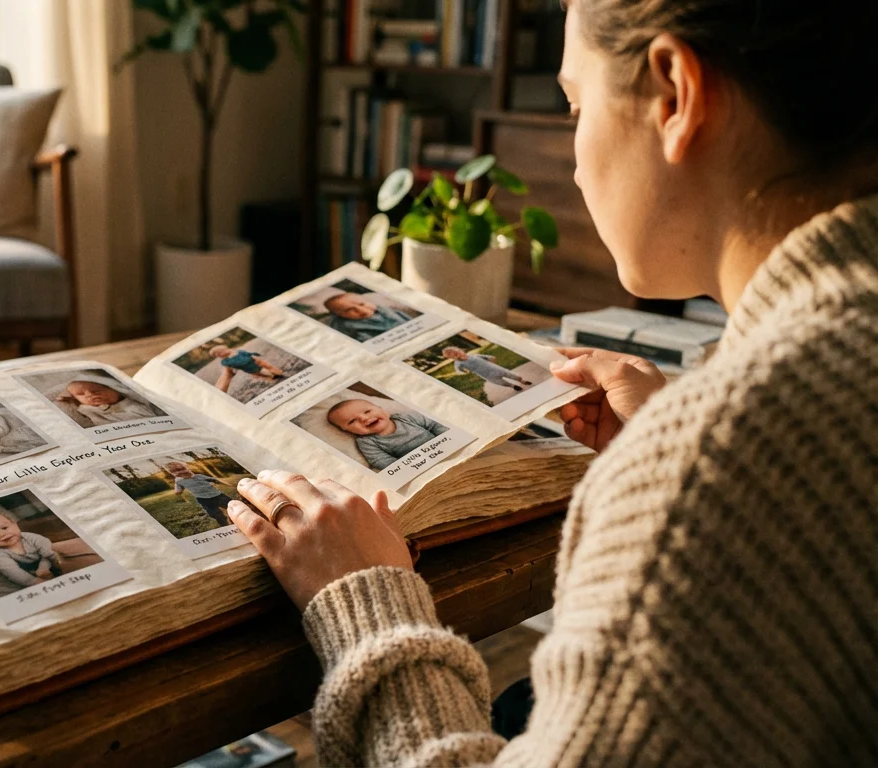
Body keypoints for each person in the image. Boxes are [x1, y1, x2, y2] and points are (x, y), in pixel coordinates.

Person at [221, 1, 878, 764]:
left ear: (675, 94)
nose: (572, 155)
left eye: (576, 106)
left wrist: (366, 602)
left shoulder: (722, 457)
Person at [325, 399, 448, 471]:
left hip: (444, 448)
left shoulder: (406, 417)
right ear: (347, 431)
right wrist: (412, 467)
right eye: (352, 421)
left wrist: (447, 441)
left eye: (367, 411)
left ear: (383, 410)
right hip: (419, 465)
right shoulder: (367, 442)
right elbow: (381, 461)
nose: (364, 418)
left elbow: (435, 425)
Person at [0, 511, 61, 588]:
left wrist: (43, 567)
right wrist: (35, 582)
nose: (2, 534)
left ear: (15, 524)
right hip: (25, 571)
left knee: (55, 556)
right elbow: (12, 572)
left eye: (5, 528)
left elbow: (49, 554)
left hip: (44, 560)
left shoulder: (31, 538)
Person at [56, 379, 162, 426]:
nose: (89, 395)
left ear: (114, 389)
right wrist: (68, 398)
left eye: (96, 391)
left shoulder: (132, 403)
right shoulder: (86, 409)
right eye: (80, 394)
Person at [166, 461, 235, 527]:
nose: (181, 472)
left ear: (187, 468)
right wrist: (176, 484)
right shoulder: (179, 481)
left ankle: (237, 518)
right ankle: (225, 525)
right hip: (203, 499)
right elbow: (178, 492)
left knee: (233, 507)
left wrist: (230, 485)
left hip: (218, 496)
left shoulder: (199, 476)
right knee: (216, 514)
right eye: (176, 471)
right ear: (172, 473)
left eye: (183, 469)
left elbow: (215, 480)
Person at [321, 291, 412, 341]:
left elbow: (401, 316)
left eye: (361, 304)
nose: (361, 310)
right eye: (349, 310)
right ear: (339, 314)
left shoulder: (382, 309)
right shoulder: (345, 325)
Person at [442, 346, 535, 392]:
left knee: (511, 375)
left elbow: (486, 357)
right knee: (500, 382)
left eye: (458, 353)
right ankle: (512, 386)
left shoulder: (474, 355)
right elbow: (458, 372)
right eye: (454, 356)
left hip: (496, 369)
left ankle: (522, 381)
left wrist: (490, 358)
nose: (458, 356)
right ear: (452, 358)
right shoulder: (458, 364)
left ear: (461, 351)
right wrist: (464, 372)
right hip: (487, 375)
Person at [210, 345, 285, 382]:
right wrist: (232, 371)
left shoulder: (235, 351)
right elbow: (230, 368)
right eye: (217, 354)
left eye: (221, 351)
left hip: (254, 360)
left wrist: (253, 355)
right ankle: (272, 377)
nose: (220, 354)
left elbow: (245, 353)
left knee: (267, 366)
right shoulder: (225, 361)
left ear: (225, 349)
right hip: (248, 368)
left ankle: (278, 373)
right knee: (259, 374)